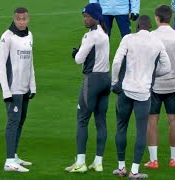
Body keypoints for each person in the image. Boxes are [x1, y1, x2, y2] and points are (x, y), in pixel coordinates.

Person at [111, 15, 171, 179]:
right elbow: (167, 67)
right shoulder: (157, 42)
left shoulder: (128, 38)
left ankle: (121, 167)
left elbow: (117, 62)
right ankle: (134, 171)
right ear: (150, 27)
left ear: (137, 26)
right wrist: (151, 72)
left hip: (126, 89)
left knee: (121, 127)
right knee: (141, 131)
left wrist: (115, 80)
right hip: (144, 93)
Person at [65, 3, 111, 173]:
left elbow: (78, 59)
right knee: (101, 121)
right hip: (106, 79)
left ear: (96, 17)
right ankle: (98, 162)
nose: (85, 19)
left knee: (82, 120)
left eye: (88, 16)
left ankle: (81, 163)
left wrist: (75, 53)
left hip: (92, 81)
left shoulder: (90, 36)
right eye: (84, 16)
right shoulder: (104, 34)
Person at [144, 5, 175, 169]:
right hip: (173, 84)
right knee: (174, 121)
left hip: (153, 85)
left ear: (157, 17)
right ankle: (174, 159)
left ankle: (153, 160)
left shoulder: (150, 36)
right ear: (170, 17)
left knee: (152, 121)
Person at [0, 7, 36, 172]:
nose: (21, 22)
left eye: (24, 19)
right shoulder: (7, 37)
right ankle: (9, 161)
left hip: (25, 88)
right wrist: (6, 91)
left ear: (28, 19)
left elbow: (30, 62)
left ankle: (14, 155)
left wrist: (32, 85)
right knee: (13, 123)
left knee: (20, 122)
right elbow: (0, 64)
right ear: (14, 19)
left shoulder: (30, 35)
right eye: (18, 19)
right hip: (13, 89)